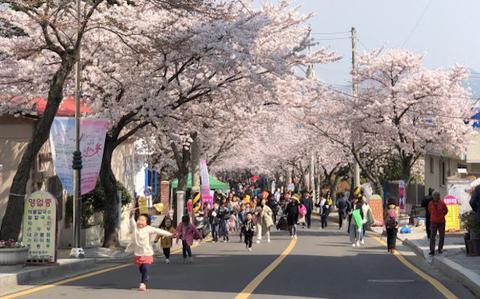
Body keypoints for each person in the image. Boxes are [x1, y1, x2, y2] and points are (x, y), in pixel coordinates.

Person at [127, 210, 172, 291]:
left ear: (147, 222)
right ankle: (145, 276)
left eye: (142, 220)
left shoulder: (149, 229)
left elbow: (159, 231)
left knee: (145, 268)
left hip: (147, 253)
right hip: (138, 253)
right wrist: (131, 216)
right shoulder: (135, 228)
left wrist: (170, 234)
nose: (140, 221)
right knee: (141, 269)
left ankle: (142, 284)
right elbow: (131, 222)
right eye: (139, 220)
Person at [428, 191, 448, 256]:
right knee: (432, 237)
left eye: (437, 195)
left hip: (441, 222)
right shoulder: (430, 203)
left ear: (439, 196)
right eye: (435, 196)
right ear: (433, 197)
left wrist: (442, 215)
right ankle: (432, 250)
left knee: (441, 236)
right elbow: (429, 211)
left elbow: (446, 210)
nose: (436, 197)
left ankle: (440, 249)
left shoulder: (442, 203)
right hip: (433, 222)